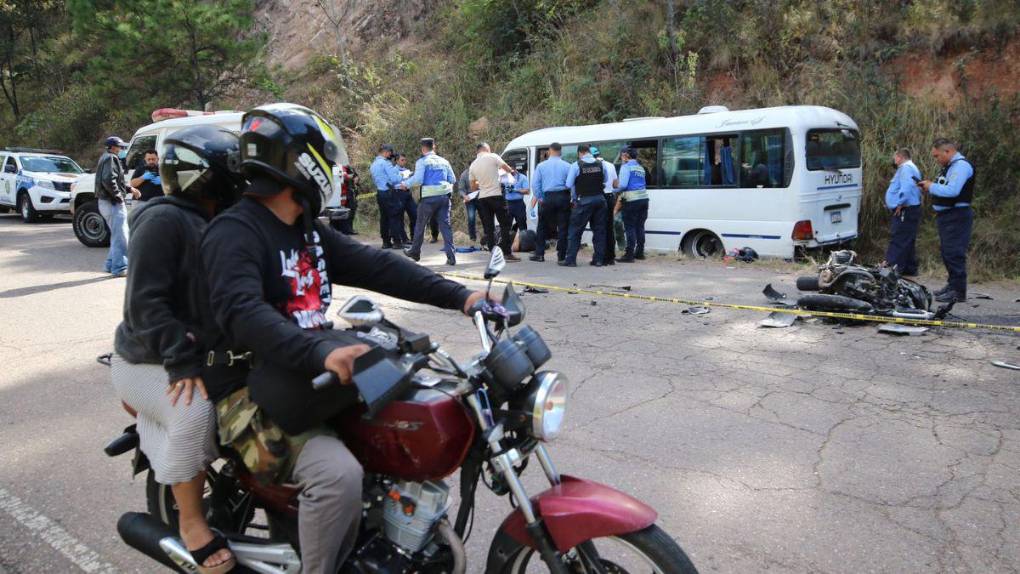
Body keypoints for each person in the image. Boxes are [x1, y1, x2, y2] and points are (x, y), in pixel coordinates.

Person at [201, 104, 489, 574]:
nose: (336, 171)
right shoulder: (234, 232)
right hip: (248, 390)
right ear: (302, 163)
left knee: (404, 423)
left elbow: (378, 265)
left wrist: (462, 297)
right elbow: (243, 314)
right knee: (338, 476)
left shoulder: (304, 229)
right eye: (328, 161)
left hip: (304, 376)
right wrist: (321, 349)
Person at [112, 125, 246, 574]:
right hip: (146, 359)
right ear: (202, 176)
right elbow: (145, 304)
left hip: (197, 355)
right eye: (232, 170)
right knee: (194, 412)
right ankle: (191, 522)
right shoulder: (162, 219)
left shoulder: (215, 220)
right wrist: (180, 359)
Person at [918, 138, 975, 303]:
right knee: (947, 252)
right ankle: (952, 285)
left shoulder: (961, 166)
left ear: (947, 151)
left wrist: (931, 186)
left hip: (957, 215)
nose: (936, 160)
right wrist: (930, 186)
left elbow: (952, 191)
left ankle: (958, 291)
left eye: (937, 156)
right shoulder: (950, 167)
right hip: (948, 216)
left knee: (954, 252)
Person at [401, 137, 457, 265]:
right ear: (434, 147)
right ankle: (451, 256)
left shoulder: (422, 162)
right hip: (444, 197)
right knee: (445, 226)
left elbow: (419, 179)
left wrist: (406, 184)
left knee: (420, 224)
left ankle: (415, 252)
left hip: (428, 198)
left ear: (423, 148)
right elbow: (452, 179)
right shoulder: (444, 161)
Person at [560, 144, 610, 267]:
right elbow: (605, 179)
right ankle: (598, 260)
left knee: (575, 231)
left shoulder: (576, 165)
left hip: (583, 201)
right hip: (600, 199)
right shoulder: (601, 164)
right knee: (599, 231)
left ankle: (571, 260)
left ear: (579, 153)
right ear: (589, 152)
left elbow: (568, 184)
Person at [95, 135, 138, 276]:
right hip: (111, 203)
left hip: (106, 202)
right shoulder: (111, 158)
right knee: (121, 236)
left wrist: (129, 189)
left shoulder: (105, 157)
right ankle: (119, 268)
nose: (121, 149)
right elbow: (109, 180)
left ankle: (109, 264)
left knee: (116, 235)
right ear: (113, 147)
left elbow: (114, 180)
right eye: (119, 146)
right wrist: (119, 197)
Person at [469, 142, 520, 261]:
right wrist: (508, 173)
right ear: (487, 149)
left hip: (482, 198)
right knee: (505, 225)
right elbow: (507, 168)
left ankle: (492, 251)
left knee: (489, 226)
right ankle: (507, 253)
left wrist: (482, 182)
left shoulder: (473, 165)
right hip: (496, 196)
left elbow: (473, 187)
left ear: (478, 151)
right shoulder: (493, 156)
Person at [882, 148, 922, 276]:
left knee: (899, 237)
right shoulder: (911, 167)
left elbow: (907, 186)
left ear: (899, 157)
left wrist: (900, 203)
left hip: (905, 208)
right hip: (910, 208)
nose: (894, 161)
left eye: (895, 158)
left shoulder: (905, 168)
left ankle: (892, 269)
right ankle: (909, 268)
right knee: (908, 238)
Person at [529, 144, 571, 263]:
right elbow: (572, 184)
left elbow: (535, 184)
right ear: (560, 151)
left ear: (549, 151)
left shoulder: (541, 166)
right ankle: (561, 256)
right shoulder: (568, 166)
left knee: (542, 226)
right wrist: (572, 199)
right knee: (563, 227)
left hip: (548, 197)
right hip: (563, 196)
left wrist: (540, 197)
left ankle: (540, 254)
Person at [615, 146, 650, 262]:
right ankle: (640, 253)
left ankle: (629, 255)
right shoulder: (641, 168)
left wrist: (613, 189)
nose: (621, 157)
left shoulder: (626, 167)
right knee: (640, 226)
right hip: (644, 199)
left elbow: (623, 185)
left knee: (630, 227)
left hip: (631, 201)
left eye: (621, 154)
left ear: (626, 155)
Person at [369, 144, 403, 249]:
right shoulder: (386, 163)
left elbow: (375, 180)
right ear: (385, 152)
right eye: (389, 153)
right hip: (389, 192)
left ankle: (386, 242)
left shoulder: (373, 164)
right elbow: (394, 179)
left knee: (384, 218)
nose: (390, 155)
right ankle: (397, 242)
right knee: (394, 217)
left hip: (380, 193)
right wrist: (402, 175)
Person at [591, 146, 618, 265]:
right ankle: (610, 257)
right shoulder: (611, 165)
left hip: (599, 197)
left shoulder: (592, 165)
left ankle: (599, 258)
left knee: (598, 229)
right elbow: (616, 184)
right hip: (610, 198)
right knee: (609, 228)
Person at [392, 153, 417, 244]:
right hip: (398, 193)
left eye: (405, 160)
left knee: (415, 214)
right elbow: (392, 182)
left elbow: (412, 180)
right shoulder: (393, 170)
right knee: (399, 217)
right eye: (402, 160)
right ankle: (404, 239)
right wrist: (401, 185)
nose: (404, 162)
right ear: (397, 161)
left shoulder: (406, 170)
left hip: (407, 193)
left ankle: (414, 237)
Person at [504, 166, 530, 236]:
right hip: (508, 203)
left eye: (511, 171)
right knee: (506, 226)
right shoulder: (504, 177)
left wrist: (515, 190)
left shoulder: (522, 177)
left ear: (515, 169)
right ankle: (506, 243)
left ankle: (524, 243)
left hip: (519, 204)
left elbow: (527, 191)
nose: (510, 173)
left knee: (522, 225)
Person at [457, 166, 478, 242]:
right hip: (470, 198)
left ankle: (487, 235)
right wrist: (464, 196)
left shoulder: (480, 172)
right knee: (471, 218)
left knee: (485, 216)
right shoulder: (464, 175)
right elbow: (461, 189)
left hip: (480, 196)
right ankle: (472, 237)